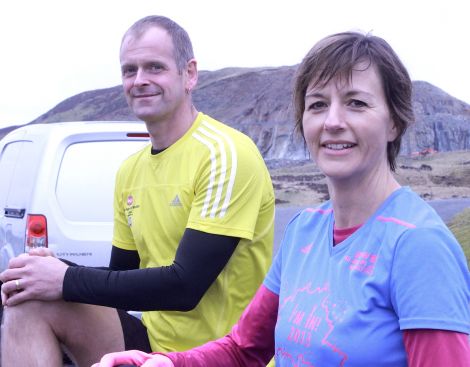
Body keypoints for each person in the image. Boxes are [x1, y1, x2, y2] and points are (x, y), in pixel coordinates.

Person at [92, 31, 470, 367]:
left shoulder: (419, 246)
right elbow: (244, 350)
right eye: (318, 104)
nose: (332, 121)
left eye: (356, 103)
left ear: (394, 122)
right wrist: (166, 364)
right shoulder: (306, 231)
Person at [0, 15, 275, 367]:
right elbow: (121, 276)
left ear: (189, 74)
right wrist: (48, 271)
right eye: (130, 70)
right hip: (153, 342)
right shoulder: (131, 170)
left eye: (154, 67)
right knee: (28, 301)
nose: (140, 80)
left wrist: (65, 278)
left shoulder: (225, 154)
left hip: (222, 353)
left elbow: (185, 287)